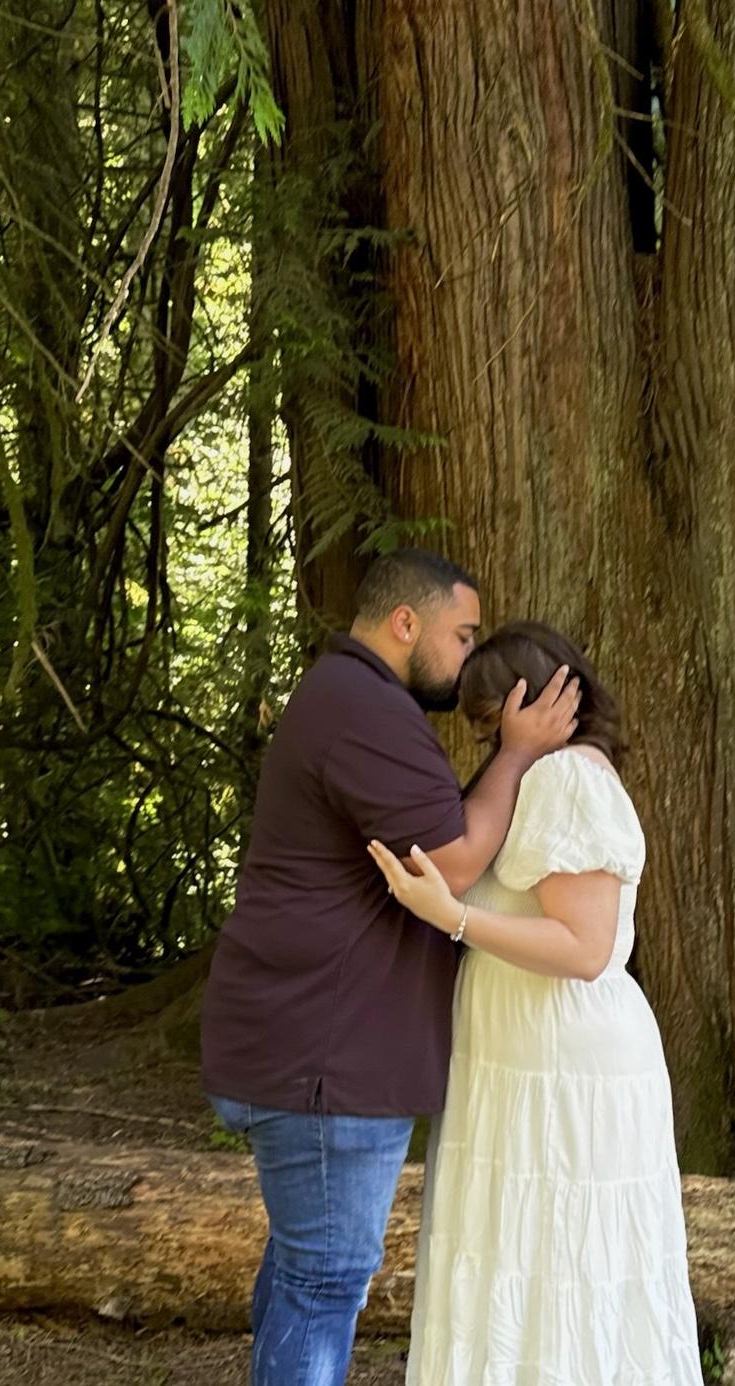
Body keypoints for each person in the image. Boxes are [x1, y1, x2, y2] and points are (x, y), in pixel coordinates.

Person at [200, 555, 581, 1386]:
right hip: (327, 1061)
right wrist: (518, 754)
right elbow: (451, 863)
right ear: (405, 623)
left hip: (306, 1045)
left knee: (303, 1272)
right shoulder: (365, 709)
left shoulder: (345, 696)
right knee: (323, 1283)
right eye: (463, 635)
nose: (470, 657)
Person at [368, 620, 702, 1385]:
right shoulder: (537, 777)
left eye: (490, 717)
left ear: (534, 697)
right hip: (519, 1056)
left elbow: (584, 948)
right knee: (516, 1257)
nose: (484, 736)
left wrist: (451, 917)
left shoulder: (567, 780)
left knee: (555, 1264)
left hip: (559, 1062)